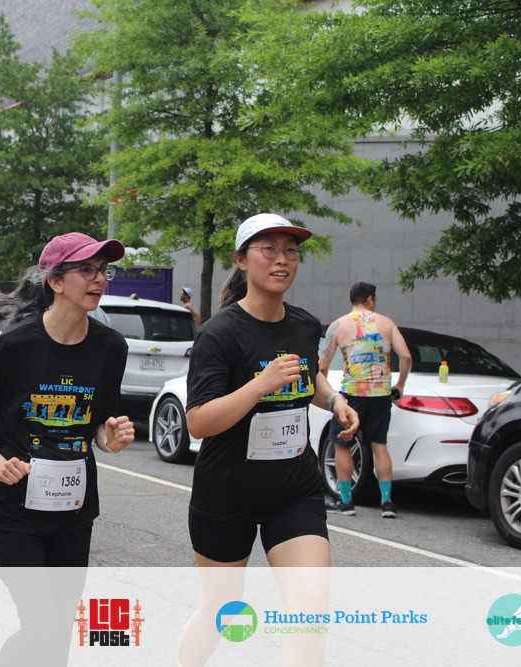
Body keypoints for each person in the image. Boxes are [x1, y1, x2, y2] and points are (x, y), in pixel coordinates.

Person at [178, 213, 358, 667]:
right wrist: (260, 385)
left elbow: (308, 379)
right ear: (241, 260)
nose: (282, 259)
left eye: (291, 251)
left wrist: (334, 400)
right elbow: (198, 422)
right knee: (220, 613)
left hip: (293, 491)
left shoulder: (304, 325)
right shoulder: (219, 333)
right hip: (227, 494)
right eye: (269, 250)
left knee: (310, 614)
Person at [0, 232, 135, 667]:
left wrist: (111, 439)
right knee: (41, 626)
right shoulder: (14, 345)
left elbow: (100, 424)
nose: (99, 279)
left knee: (60, 631)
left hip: (74, 510)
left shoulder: (111, 347)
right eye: (86, 270)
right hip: (15, 512)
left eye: (103, 270)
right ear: (55, 281)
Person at [320, 281, 412, 519]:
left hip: (352, 395)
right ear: (371, 299)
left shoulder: (338, 325)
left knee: (342, 444)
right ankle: (387, 502)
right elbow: (406, 356)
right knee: (379, 445)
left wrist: (328, 394)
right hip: (380, 394)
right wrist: (400, 384)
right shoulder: (387, 323)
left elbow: (322, 366)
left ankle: (346, 501)